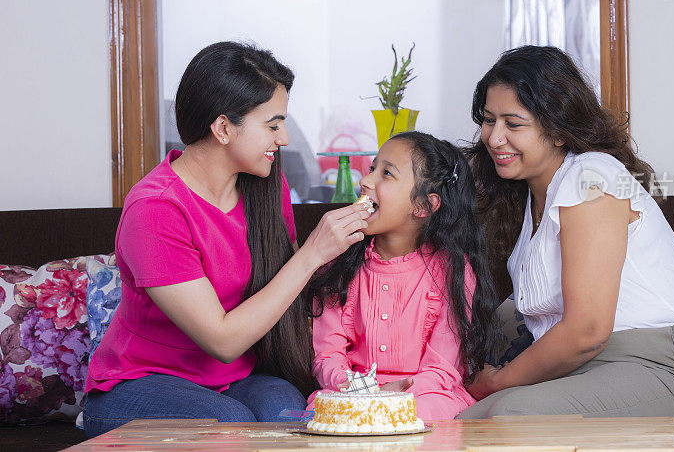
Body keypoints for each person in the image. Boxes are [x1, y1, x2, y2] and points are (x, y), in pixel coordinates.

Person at [82, 42, 369, 437]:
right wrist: (311, 254)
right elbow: (222, 340)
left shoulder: (266, 189)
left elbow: (283, 301)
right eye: (272, 125)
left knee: (287, 411)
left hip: (231, 380)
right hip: (138, 384)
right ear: (222, 128)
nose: (283, 138)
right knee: (234, 425)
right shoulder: (156, 210)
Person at [457, 46, 674, 447]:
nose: (494, 137)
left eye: (513, 123)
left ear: (557, 126)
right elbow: (525, 313)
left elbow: (586, 331)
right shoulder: (531, 198)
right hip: (586, 372)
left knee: (510, 419)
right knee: (454, 425)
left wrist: (497, 380)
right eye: (488, 120)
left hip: (670, 369)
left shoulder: (591, 177)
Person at [306, 132, 499, 420]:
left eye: (386, 173)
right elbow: (327, 355)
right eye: (372, 168)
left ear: (423, 206)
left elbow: (442, 369)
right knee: (318, 408)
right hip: (355, 395)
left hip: (423, 397)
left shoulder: (454, 272)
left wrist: (395, 399)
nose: (366, 181)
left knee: (427, 411)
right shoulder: (338, 265)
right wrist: (356, 389)